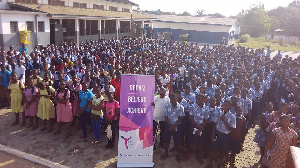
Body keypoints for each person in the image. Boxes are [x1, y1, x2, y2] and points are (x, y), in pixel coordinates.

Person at [209, 101, 236, 168]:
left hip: (225, 135)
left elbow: (231, 129)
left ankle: (220, 164)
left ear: (230, 107)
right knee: (213, 149)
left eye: (227, 105)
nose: (225, 107)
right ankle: (211, 163)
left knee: (222, 150)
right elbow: (215, 124)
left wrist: (224, 120)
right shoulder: (219, 113)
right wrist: (213, 133)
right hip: (217, 133)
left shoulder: (232, 117)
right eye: (224, 105)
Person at [160, 93, 184, 162]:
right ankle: (166, 153)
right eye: (171, 99)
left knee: (177, 141)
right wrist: (170, 126)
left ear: (177, 99)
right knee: (167, 140)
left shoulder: (181, 107)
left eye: (174, 99)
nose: (172, 101)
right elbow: (166, 116)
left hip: (177, 126)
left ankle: (178, 155)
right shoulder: (167, 106)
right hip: (168, 125)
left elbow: (180, 118)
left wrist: (174, 126)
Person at [188, 94, 209, 164]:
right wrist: (197, 126)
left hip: (201, 127)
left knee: (200, 143)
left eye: (200, 99)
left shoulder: (206, 108)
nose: (198, 100)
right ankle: (189, 154)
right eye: (197, 99)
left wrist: (201, 127)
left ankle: (199, 156)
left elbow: (206, 119)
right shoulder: (192, 107)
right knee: (190, 141)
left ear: (203, 100)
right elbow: (190, 117)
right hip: (193, 126)